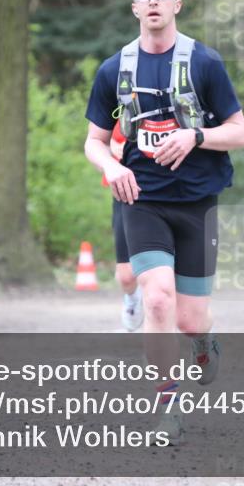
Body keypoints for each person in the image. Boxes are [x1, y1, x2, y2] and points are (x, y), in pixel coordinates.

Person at [84, 0, 244, 442]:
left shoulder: (205, 63)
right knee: (156, 299)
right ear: (134, 7)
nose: (152, 2)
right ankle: (168, 410)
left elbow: (240, 133)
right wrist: (112, 166)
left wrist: (195, 137)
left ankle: (203, 342)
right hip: (143, 199)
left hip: (197, 201)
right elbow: (94, 140)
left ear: (176, 4)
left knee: (189, 316)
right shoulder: (115, 69)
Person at [102, 122, 142, 331]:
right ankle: (133, 300)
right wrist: (111, 149)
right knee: (126, 276)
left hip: (169, 192)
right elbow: (97, 141)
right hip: (125, 194)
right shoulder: (117, 96)